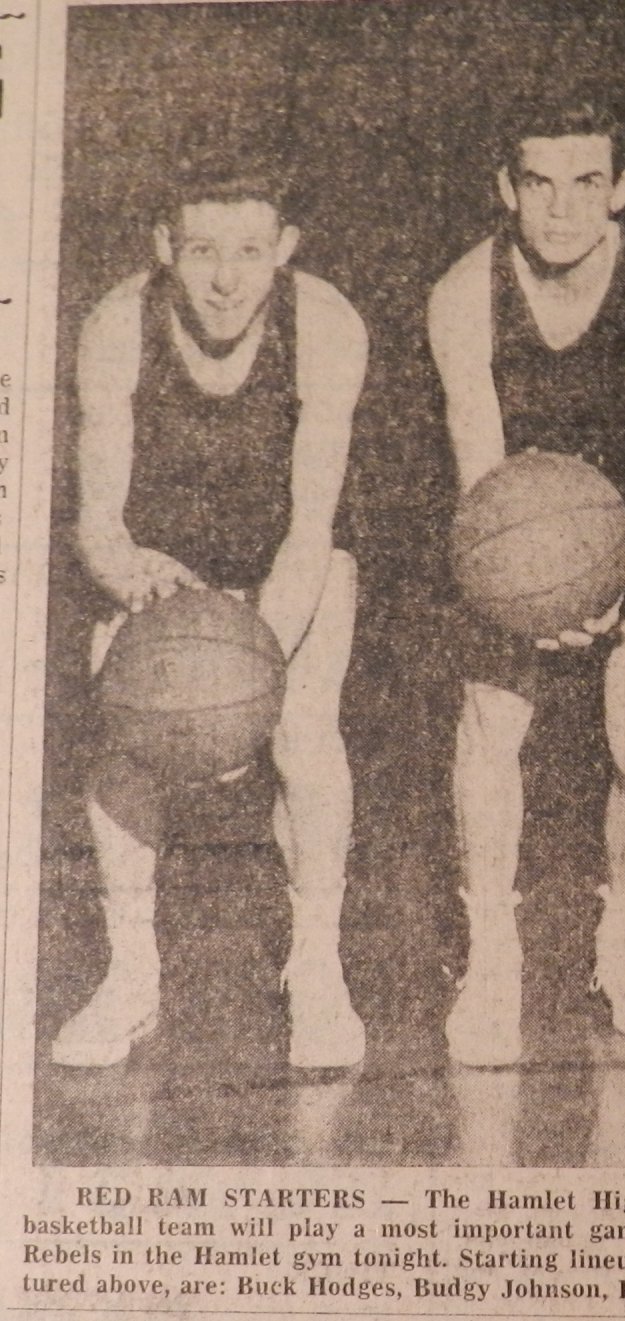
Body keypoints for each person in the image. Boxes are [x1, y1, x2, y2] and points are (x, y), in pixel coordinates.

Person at [428, 99, 625, 1066]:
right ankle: (491, 954)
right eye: (538, 184)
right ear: (505, 189)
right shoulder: (463, 295)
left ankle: (624, 933)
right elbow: (482, 491)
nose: (561, 210)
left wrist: (608, 583)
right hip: (510, 550)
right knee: (491, 729)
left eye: (586, 183)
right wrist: (531, 594)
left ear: (622, 189)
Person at [61, 153, 368, 1070]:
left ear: (286, 246)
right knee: (123, 740)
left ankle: (316, 964)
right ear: (164, 247)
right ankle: (131, 972)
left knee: (304, 733)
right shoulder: (119, 325)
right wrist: (131, 577)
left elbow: (312, 526)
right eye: (201, 250)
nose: (227, 277)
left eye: (248, 249)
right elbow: (97, 525)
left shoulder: (326, 324)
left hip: (292, 561)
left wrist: (246, 674)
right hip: (163, 570)